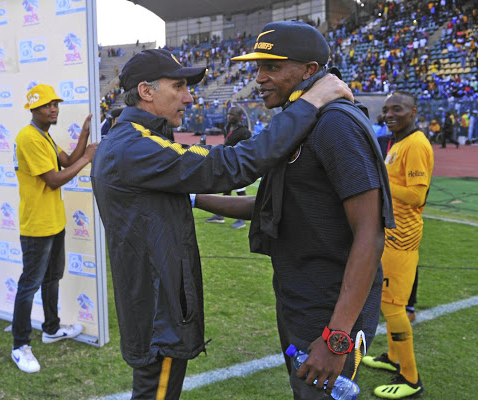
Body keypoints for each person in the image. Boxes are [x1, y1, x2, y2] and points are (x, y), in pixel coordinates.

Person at [90, 48, 353, 399]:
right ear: (146, 91)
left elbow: (183, 194)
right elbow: (232, 164)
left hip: (155, 307)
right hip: (160, 316)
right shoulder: (134, 147)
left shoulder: (133, 140)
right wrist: (313, 100)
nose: (189, 97)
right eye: (179, 86)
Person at [194, 21, 395, 399]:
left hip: (330, 309)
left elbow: (370, 233)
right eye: (258, 68)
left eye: (272, 67)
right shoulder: (302, 120)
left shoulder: (336, 124)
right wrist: (192, 198)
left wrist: (337, 339)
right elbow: (270, 206)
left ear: (309, 71)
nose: (259, 78)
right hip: (300, 298)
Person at [12, 84, 98, 373]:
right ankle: (19, 345)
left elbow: (68, 161)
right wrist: (88, 157)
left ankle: (51, 328)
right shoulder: (29, 138)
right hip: (37, 225)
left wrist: (85, 133)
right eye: (47, 105)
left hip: (54, 221)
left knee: (51, 280)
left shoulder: (44, 136)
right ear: (33, 110)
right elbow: (54, 179)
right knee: (29, 286)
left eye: (55, 104)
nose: (53, 109)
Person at [362, 91, 433, 399]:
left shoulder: (416, 144)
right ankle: (392, 357)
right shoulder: (398, 143)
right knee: (387, 301)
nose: (390, 114)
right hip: (391, 235)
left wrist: (380, 182)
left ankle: (410, 377)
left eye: (398, 109)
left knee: (393, 306)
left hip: (402, 239)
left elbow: (417, 196)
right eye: (387, 109)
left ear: (413, 112)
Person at [205, 106, 252, 229]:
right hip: (228, 163)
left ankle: (241, 219)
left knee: (240, 191)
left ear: (239, 117)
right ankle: (220, 215)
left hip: (239, 165)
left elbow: (248, 149)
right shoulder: (227, 127)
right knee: (227, 189)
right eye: (228, 114)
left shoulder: (244, 132)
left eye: (232, 115)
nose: (229, 116)